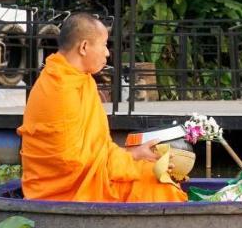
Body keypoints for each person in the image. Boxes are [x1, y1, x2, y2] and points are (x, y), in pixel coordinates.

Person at [18, 13, 187, 202]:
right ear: (84, 47)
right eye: (105, 45)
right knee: (160, 188)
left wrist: (136, 155)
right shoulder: (60, 89)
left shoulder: (82, 80)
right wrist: (131, 160)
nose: (107, 53)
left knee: (157, 174)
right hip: (65, 191)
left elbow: (98, 149)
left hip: (90, 178)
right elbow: (73, 163)